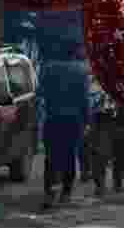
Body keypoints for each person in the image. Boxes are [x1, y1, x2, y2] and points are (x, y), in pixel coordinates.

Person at [39, 45, 91, 210]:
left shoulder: (48, 68)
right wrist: (87, 121)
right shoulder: (81, 72)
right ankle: (66, 193)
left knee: (51, 156)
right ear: (74, 54)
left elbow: (41, 94)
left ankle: (49, 192)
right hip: (73, 120)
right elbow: (84, 99)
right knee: (69, 155)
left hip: (52, 117)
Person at [87, 91, 124, 196]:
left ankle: (117, 182)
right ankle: (100, 184)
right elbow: (94, 114)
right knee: (99, 160)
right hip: (104, 131)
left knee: (119, 160)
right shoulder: (100, 96)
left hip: (120, 130)